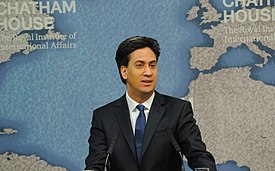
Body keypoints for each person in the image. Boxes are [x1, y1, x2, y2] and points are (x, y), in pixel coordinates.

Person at [85, 36, 217, 171]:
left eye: (152, 65)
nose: (148, 72)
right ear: (124, 71)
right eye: (140, 65)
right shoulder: (104, 117)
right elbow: (96, 164)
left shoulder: (178, 111)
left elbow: (199, 156)